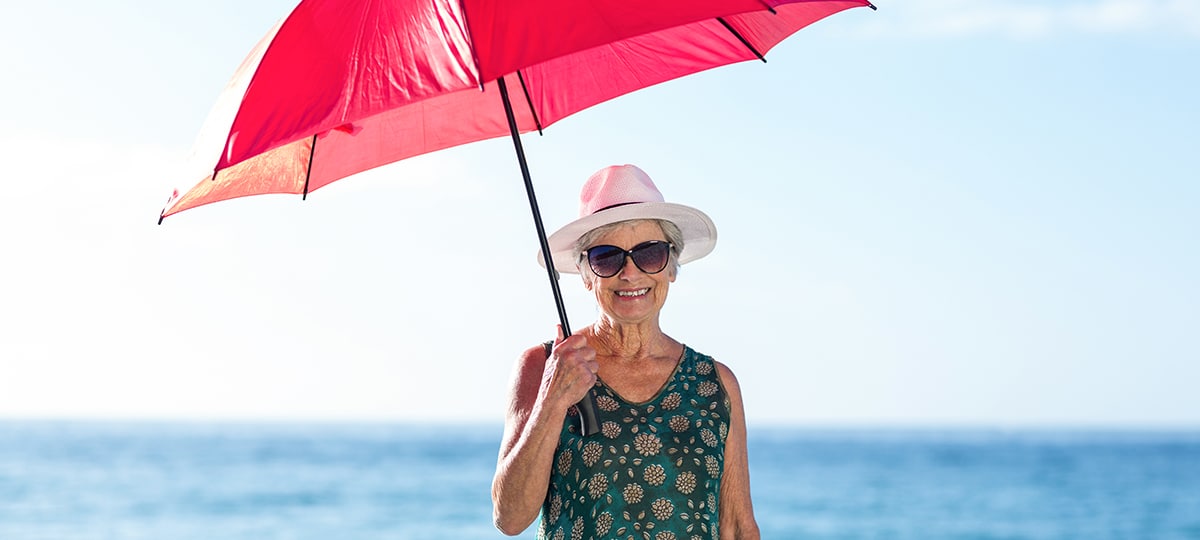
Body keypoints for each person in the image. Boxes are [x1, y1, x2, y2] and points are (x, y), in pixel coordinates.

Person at [492, 164, 759, 539]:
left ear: (671, 267)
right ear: (586, 274)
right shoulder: (543, 367)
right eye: (607, 257)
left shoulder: (716, 384)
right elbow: (510, 517)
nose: (630, 273)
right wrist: (553, 399)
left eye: (649, 254)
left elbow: (737, 525)